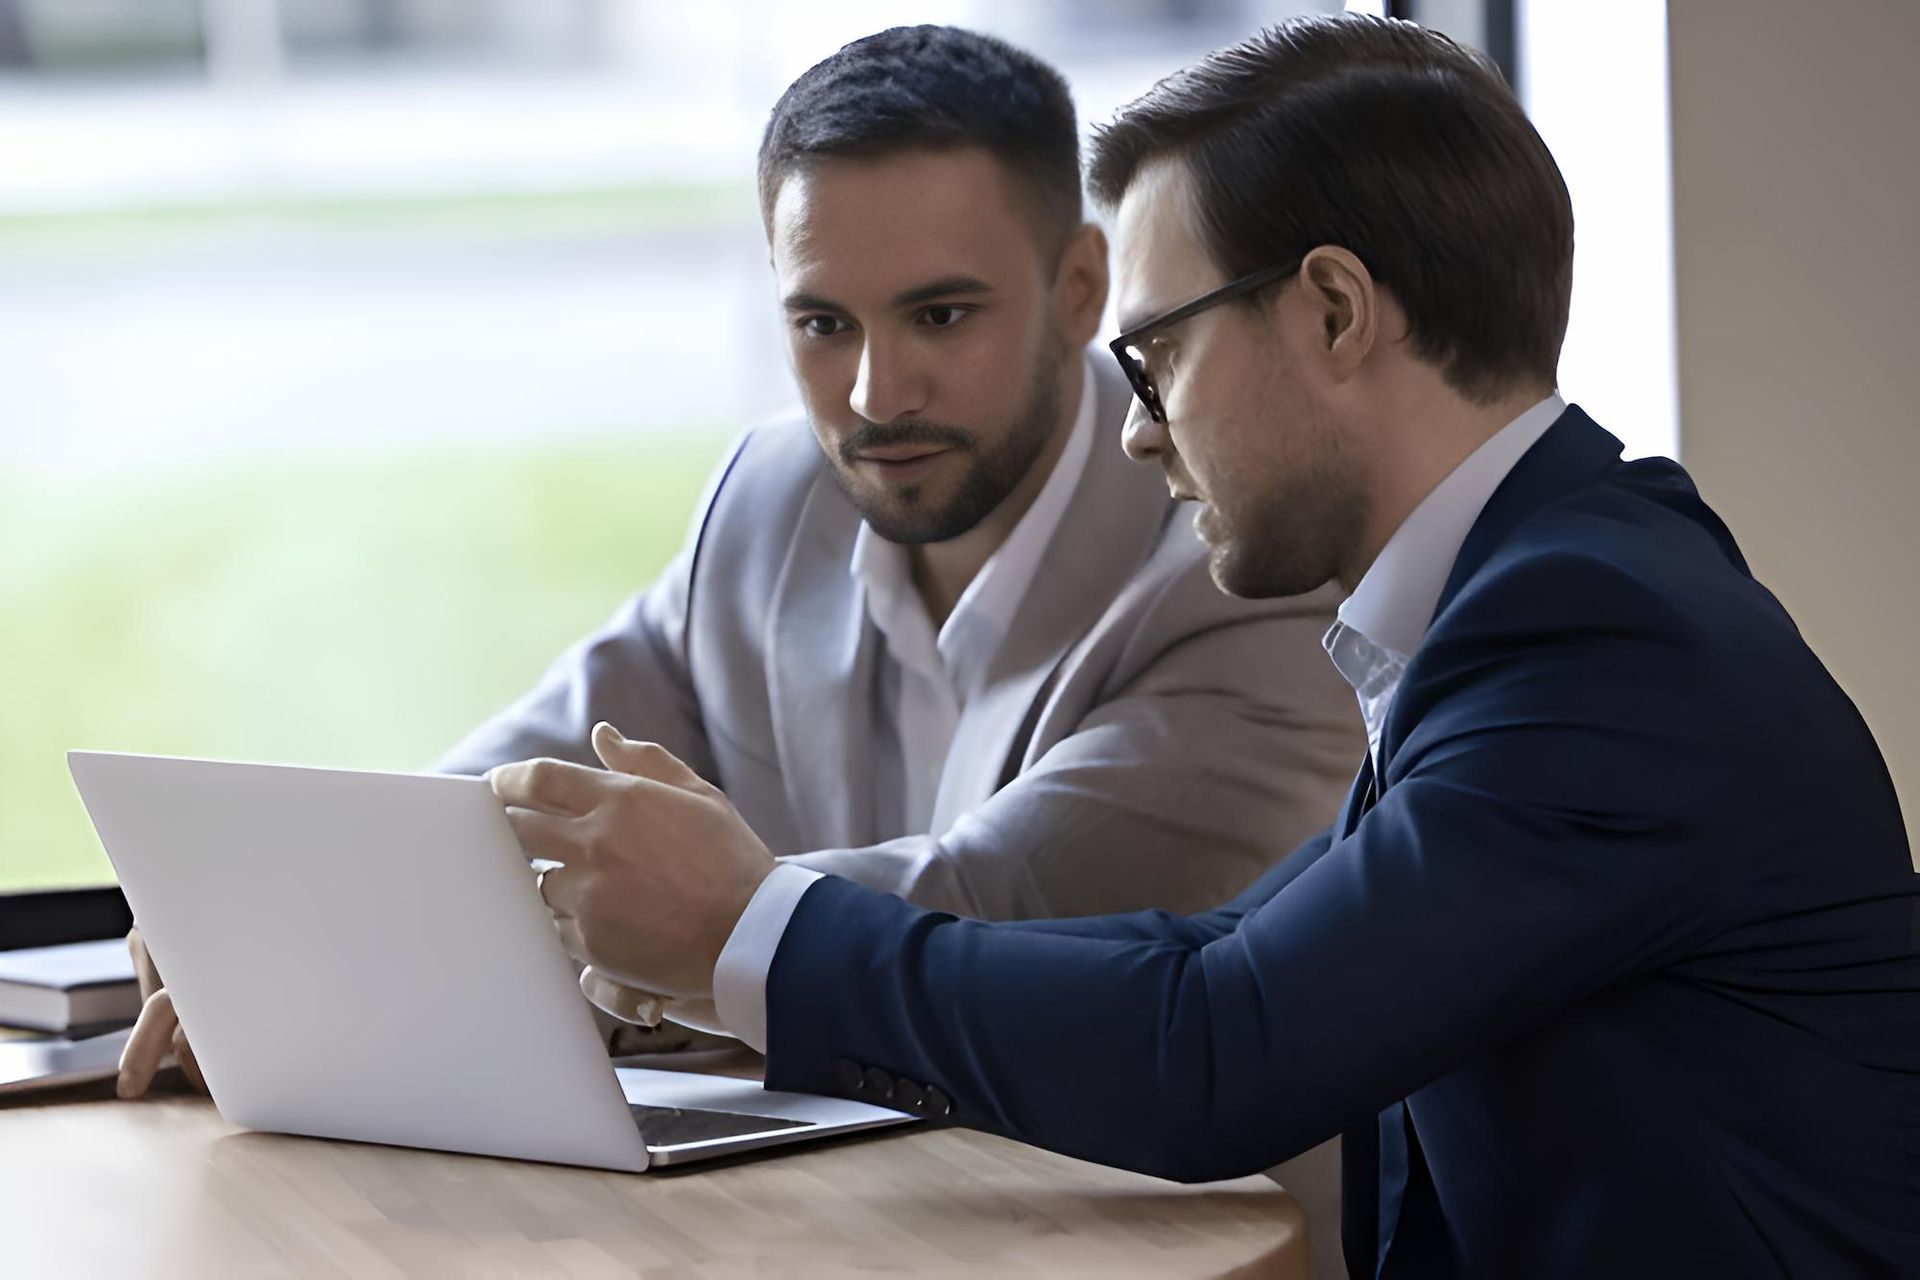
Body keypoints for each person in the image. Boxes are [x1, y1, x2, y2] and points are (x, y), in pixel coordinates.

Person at [491, 14, 1920, 1279]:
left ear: (1337, 314)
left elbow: (1221, 1047)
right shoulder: (1551, 587)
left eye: (1155, 354)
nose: (1134, 427)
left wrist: (757, 932)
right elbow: (1222, 952)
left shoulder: (1597, 645)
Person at [116, 25, 1357, 1114]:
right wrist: (296, 908)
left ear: (1080, 287)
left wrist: (433, 939)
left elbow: (980, 902)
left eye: (941, 316)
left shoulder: (1248, 571)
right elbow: (529, 775)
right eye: (823, 323)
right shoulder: (771, 498)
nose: (876, 393)